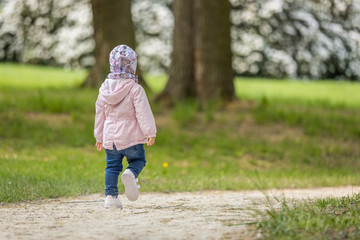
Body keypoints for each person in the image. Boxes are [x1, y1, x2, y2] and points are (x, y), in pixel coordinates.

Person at [94, 44, 157, 208]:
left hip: (110, 138)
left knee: (112, 167)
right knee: (138, 160)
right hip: (132, 137)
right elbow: (143, 113)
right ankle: (131, 173)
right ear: (133, 66)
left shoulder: (104, 90)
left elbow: (100, 115)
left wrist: (99, 137)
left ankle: (111, 197)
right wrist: (150, 132)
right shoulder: (135, 89)